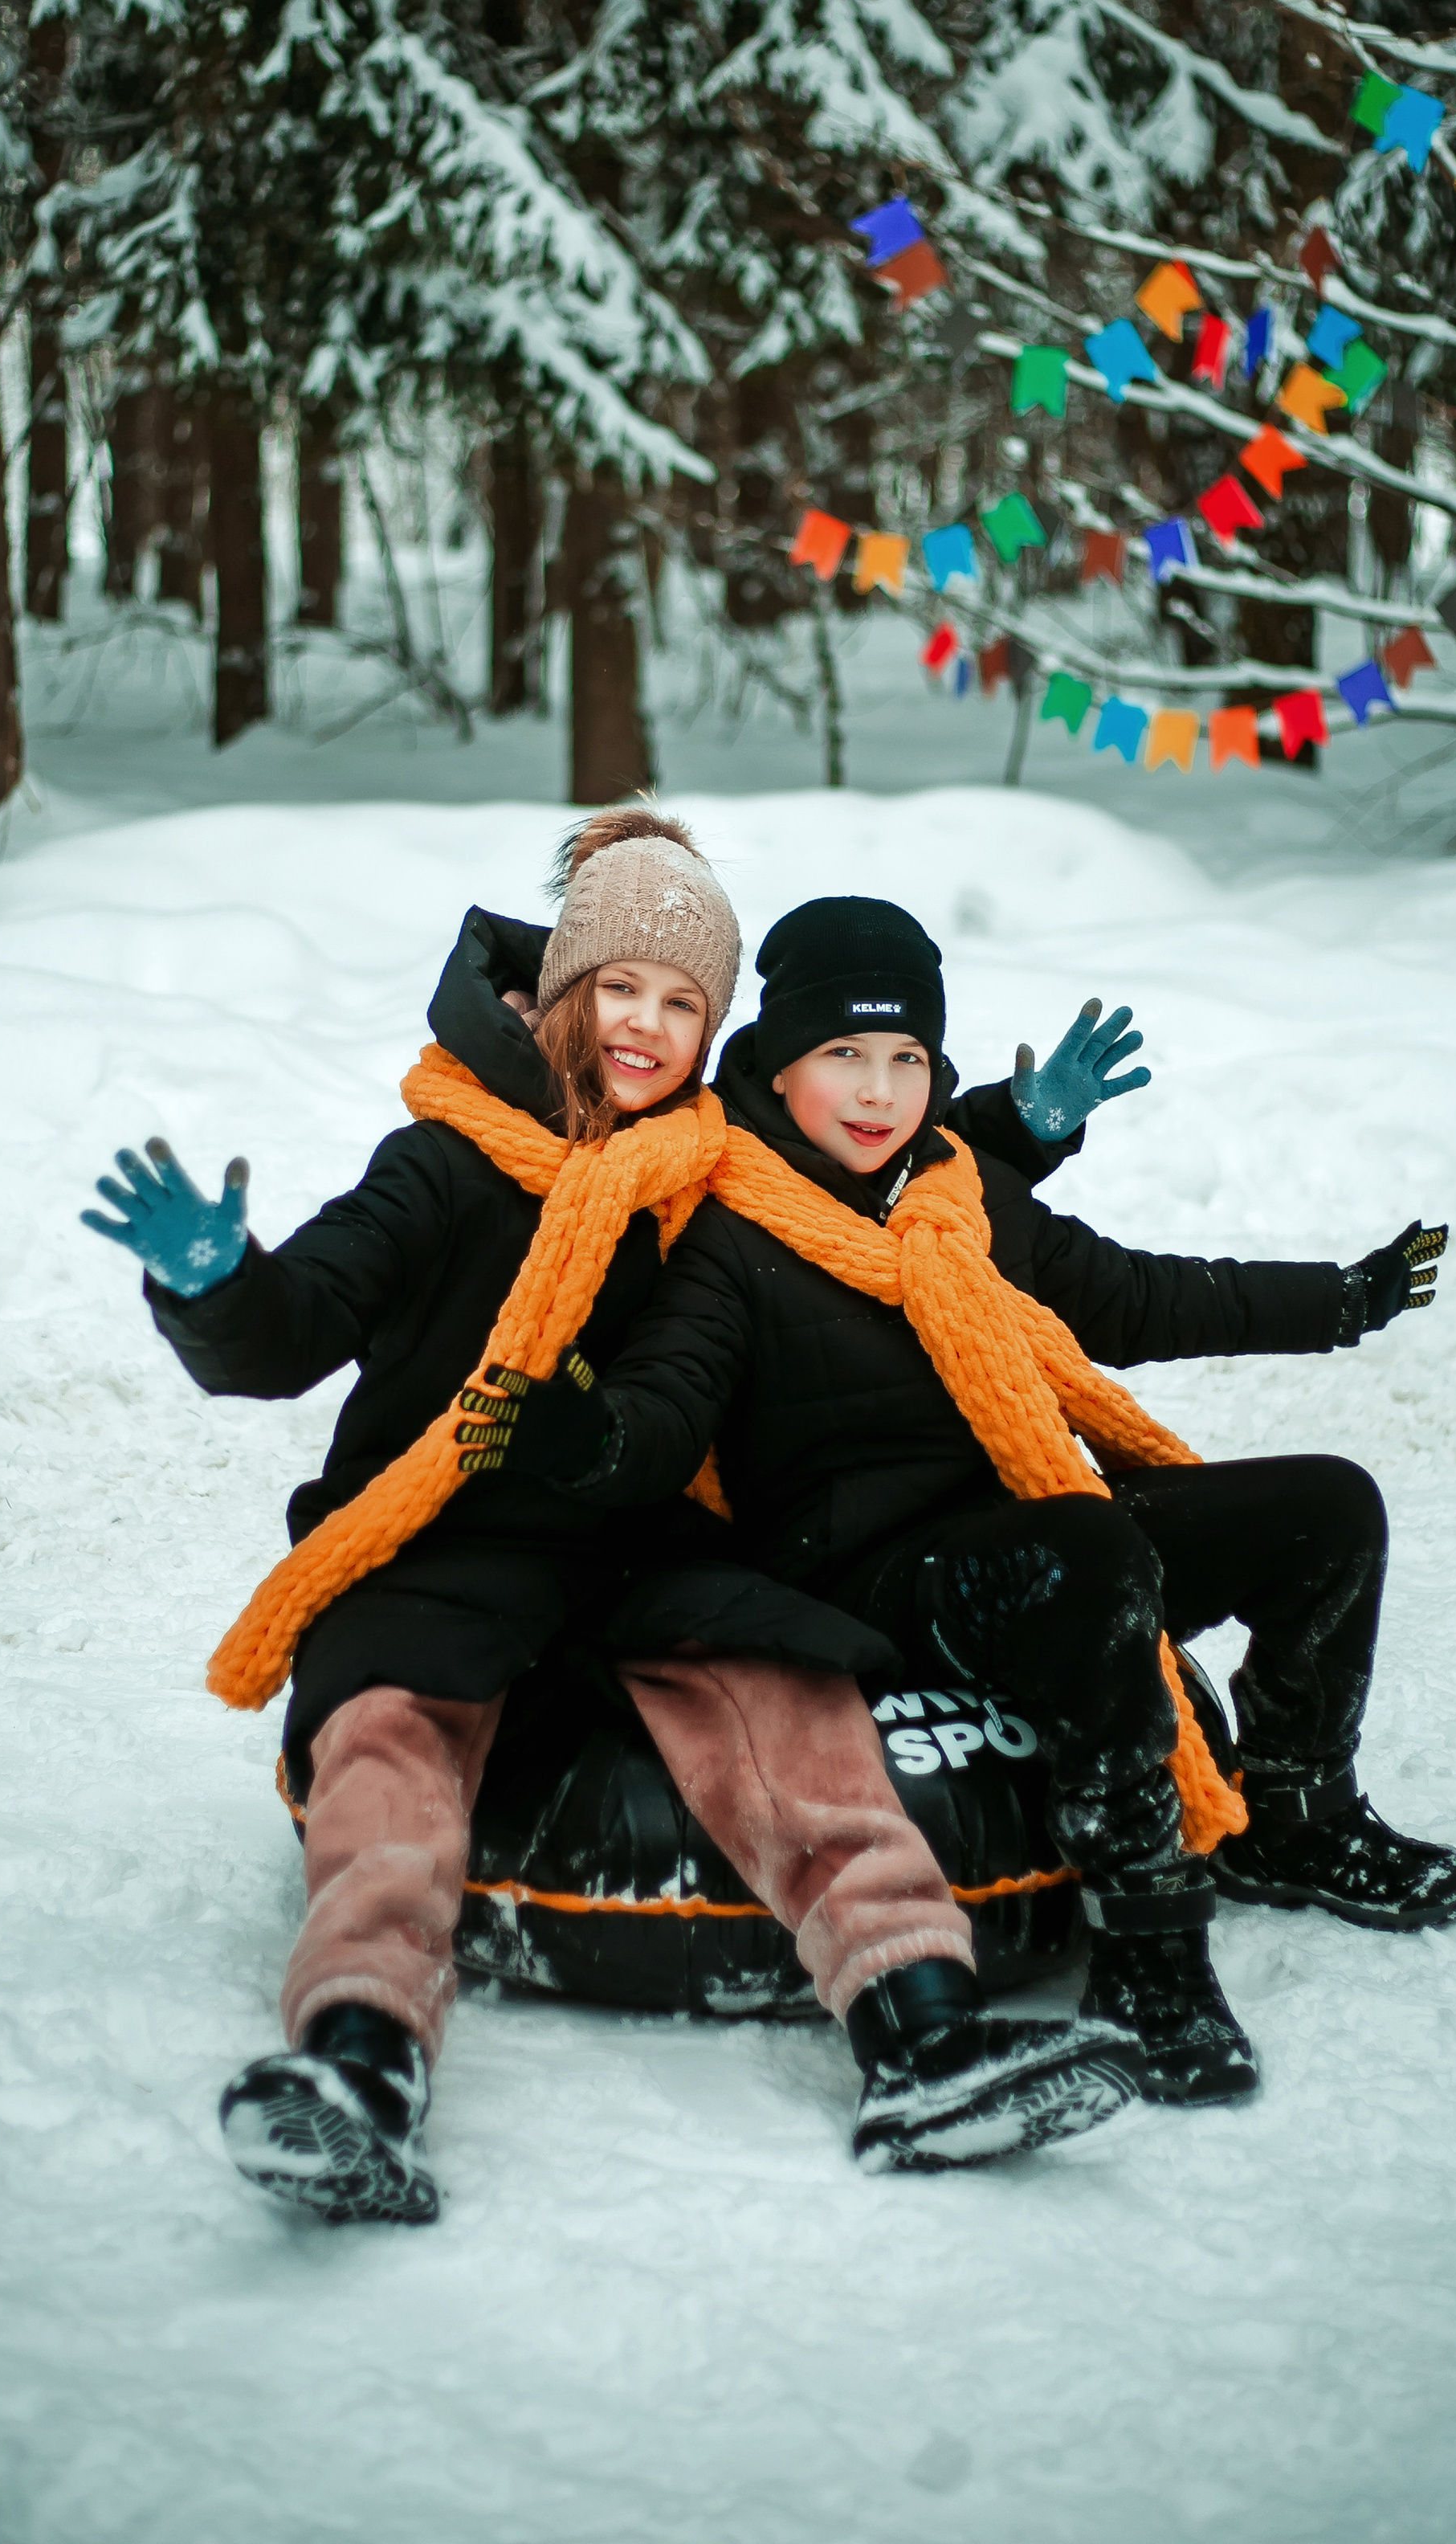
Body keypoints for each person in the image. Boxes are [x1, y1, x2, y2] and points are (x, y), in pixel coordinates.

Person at [82, 823, 1143, 2219]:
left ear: (716, 1031)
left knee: (789, 1697)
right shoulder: (446, 1161)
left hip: (639, 1532)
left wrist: (1025, 1120)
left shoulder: (705, 1166)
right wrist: (219, 1285)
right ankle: (358, 2064)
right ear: (567, 991)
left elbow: (866, 1156)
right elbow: (297, 1324)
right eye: (624, 989)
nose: (647, 1028)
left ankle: (922, 2033)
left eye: (684, 1002)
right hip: (446, 1538)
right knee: (393, 1737)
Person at [471, 893, 1456, 2112]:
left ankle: (1294, 1812)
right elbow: (666, 1404)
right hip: (880, 1579)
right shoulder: (728, 1232)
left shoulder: (959, 1193)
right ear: (778, 1065)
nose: (877, 1090)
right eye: (842, 1054)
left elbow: (1133, 1298)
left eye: (908, 1060)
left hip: (1034, 1532)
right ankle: (1150, 1952)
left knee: (1330, 1508)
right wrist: (592, 1435)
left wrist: (1340, 1301)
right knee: (1092, 1546)